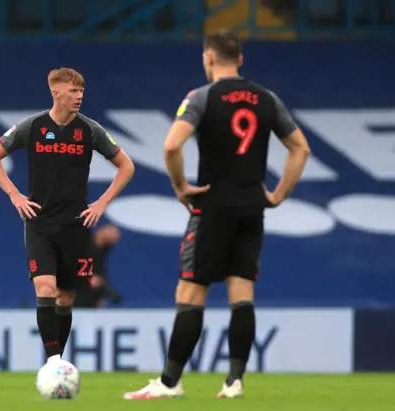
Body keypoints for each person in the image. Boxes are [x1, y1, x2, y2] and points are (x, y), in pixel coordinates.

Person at [123, 30, 311, 400]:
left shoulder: (202, 97)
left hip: (212, 206)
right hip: (251, 207)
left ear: (209, 58)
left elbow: (172, 144)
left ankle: (170, 382)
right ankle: (235, 381)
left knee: (191, 291)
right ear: (240, 60)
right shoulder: (266, 99)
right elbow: (300, 148)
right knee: (242, 292)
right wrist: (278, 194)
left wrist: (180, 185)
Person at [0, 68, 134, 364]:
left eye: (81, 91)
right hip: (40, 222)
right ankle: (53, 362)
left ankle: (57, 356)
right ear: (56, 93)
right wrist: (14, 195)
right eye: (73, 91)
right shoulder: (33, 126)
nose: (79, 96)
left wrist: (101, 203)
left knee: (66, 297)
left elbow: (126, 165)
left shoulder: (90, 130)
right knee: (45, 288)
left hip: (77, 225)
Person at [73, 223, 123, 308]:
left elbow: (99, 275)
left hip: (89, 300)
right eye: (112, 237)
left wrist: (100, 297)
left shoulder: (102, 251)